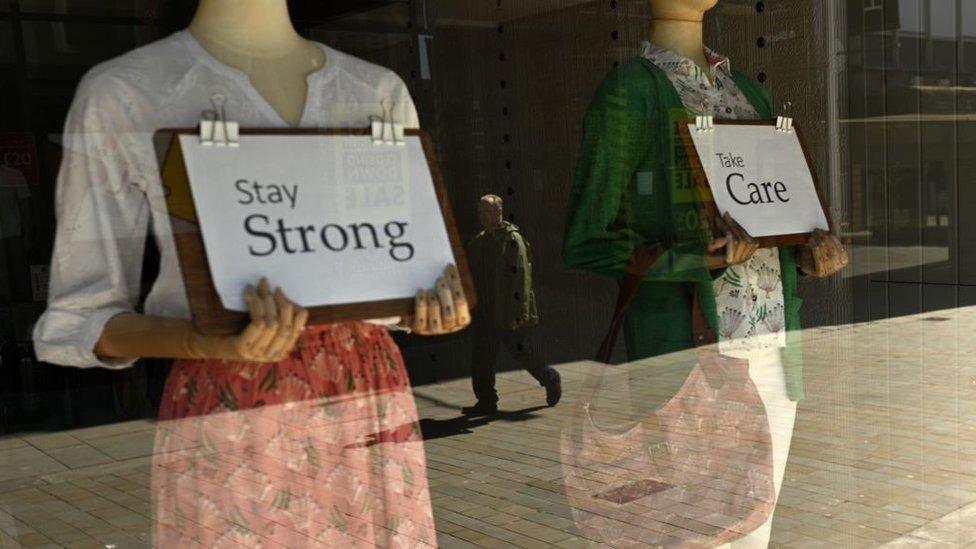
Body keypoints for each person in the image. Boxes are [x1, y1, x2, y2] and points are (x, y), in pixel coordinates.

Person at [32, 0, 468, 545]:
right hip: (228, 393)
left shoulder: (376, 92)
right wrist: (197, 342)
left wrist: (432, 306)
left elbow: (400, 256)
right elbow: (79, 316)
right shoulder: (127, 92)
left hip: (367, 387)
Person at [562, 0, 848, 547]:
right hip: (690, 360)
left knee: (753, 532)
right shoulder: (630, 92)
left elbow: (769, 223)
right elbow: (585, 240)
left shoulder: (746, 89)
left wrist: (808, 256)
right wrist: (696, 260)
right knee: (692, 534)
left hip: (774, 351)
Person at [464, 195, 561, 416]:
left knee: (521, 351)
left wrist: (520, 314)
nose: (482, 215)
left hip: (507, 310)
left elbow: (522, 279)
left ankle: (550, 377)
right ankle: (486, 401)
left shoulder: (512, 240)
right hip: (485, 310)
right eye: (480, 211)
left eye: (486, 211)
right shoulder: (479, 240)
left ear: (499, 212)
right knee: (481, 358)